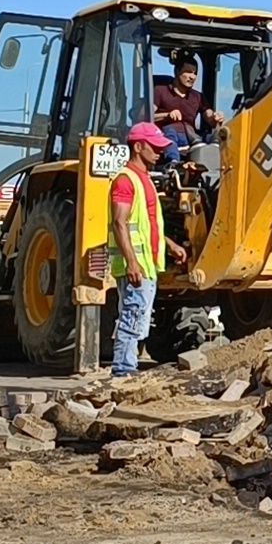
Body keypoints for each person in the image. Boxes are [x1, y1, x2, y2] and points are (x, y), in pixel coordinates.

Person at [106, 122, 188, 378]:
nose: (160, 152)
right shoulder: (125, 180)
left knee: (138, 317)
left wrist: (169, 244)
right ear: (138, 146)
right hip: (136, 266)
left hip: (147, 264)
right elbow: (120, 222)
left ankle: (126, 368)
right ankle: (123, 370)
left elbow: (146, 223)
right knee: (132, 316)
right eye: (154, 146)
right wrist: (131, 262)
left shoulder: (145, 180)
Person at [153, 57, 222, 165]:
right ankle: (173, 164)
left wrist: (215, 117)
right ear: (176, 71)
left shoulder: (197, 96)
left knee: (218, 136)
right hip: (166, 135)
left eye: (195, 73)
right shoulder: (160, 91)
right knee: (169, 131)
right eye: (188, 72)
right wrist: (167, 115)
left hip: (190, 137)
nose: (192, 77)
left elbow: (208, 115)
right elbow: (146, 115)